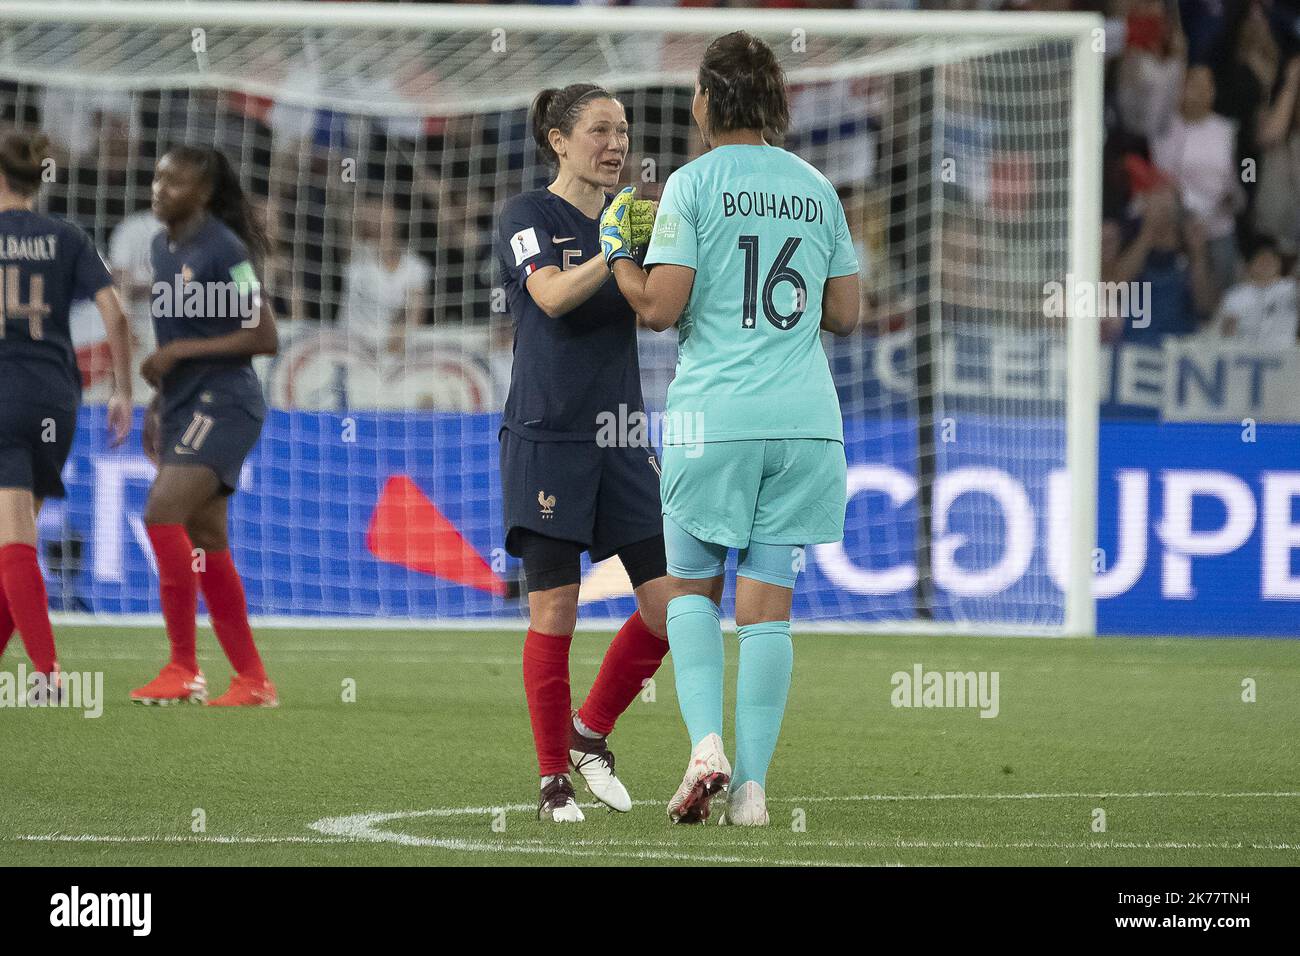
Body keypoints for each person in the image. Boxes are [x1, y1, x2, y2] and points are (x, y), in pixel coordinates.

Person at [602, 32, 861, 826]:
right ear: (776, 103)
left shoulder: (690, 184)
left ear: (708, 103)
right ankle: (752, 790)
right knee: (768, 612)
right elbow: (846, 314)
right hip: (805, 424)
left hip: (714, 418)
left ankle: (705, 745)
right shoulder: (817, 188)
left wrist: (619, 249)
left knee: (689, 589)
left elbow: (659, 309)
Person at [496, 84, 673, 823]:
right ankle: (550, 782)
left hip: (624, 439)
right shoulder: (527, 216)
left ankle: (589, 733)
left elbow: (659, 316)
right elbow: (551, 298)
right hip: (549, 437)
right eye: (600, 129)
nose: (617, 144)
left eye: (624, 131)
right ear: (558, 140)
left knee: (678, 607)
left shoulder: (631, 221)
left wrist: (658, 254)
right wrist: (615, 247)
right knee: (555, 610)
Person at [129, 146, 280, 707]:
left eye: (173, 180)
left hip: (226, 403)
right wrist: (157, 403)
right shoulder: (159, 248)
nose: (159, 187)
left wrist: (180, 355)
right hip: (183, 404)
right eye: (157, 176)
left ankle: (183, 668)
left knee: (161, 513)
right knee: (208, 537)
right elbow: (172, 344)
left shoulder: (226, 249)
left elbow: (264, 336)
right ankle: (253, 681)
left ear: (205, 193)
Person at [0, 129, 133, 685]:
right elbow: (117, 315)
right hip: (57, 395)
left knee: (13, 539)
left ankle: (48, 674)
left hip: (4, 391)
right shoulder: (68, 236)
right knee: (15, 533)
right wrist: (124, 390)